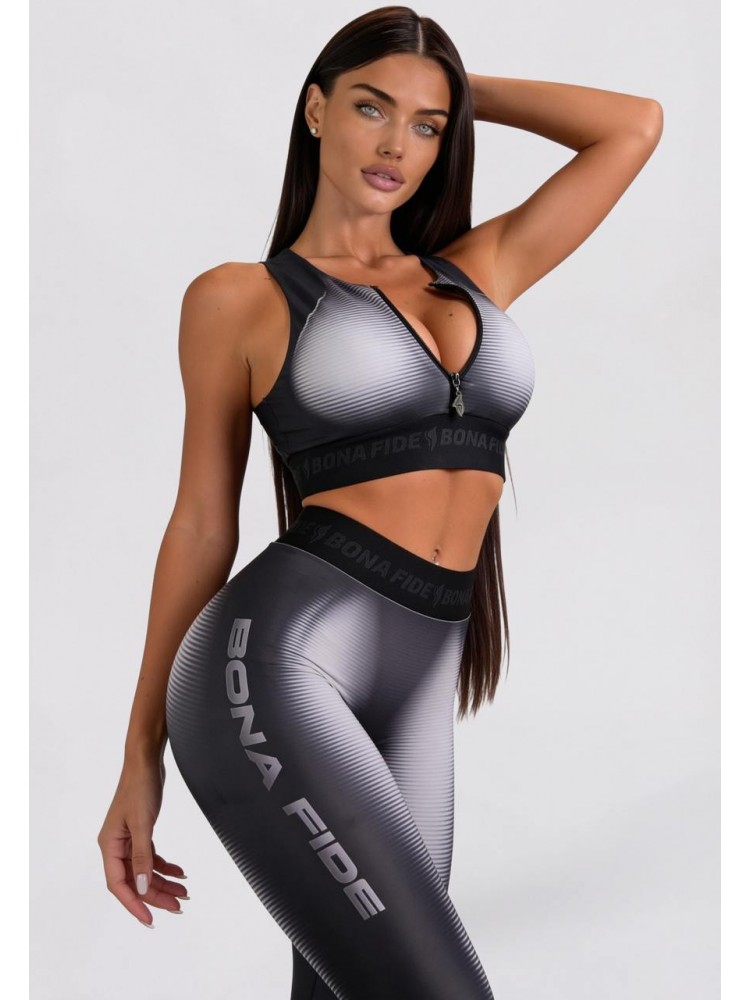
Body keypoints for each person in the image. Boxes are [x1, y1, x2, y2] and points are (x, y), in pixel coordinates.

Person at [97, 6, 662, 998]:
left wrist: (459, 87)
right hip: (270, 664)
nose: (398, 143)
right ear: (316, 110)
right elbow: (201, 524)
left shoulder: (478, 273)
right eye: (371, 107)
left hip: (420, 679)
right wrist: (140, 754)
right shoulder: (240, 297)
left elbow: (634, 125)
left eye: (426, 125)